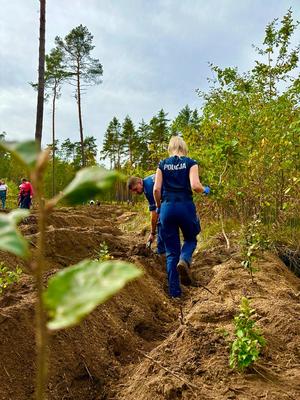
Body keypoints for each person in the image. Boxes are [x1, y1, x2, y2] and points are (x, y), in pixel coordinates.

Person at [153, 136, 210, 298]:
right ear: (183, 147)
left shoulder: (162, 164)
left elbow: (156, 190)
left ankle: (175, 294)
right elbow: (195, 186)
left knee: (171, 252)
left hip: (167, 208)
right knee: (191, 239)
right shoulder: (191, 162)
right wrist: (206, 190)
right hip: (185, 206)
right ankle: (184, 260)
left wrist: (159, 206)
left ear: (170, 148)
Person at [127, 175, 165, 255]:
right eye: (133, 191)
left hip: (174, 199)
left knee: (161, 222)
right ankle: (162, 249)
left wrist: (152, 233)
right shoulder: (148, 180)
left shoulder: (148, 189)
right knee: (160, 221)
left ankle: (163, 251)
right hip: (175, 196)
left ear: (140, 182)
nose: (135, 193)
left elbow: (154, 213)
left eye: (135, 189)